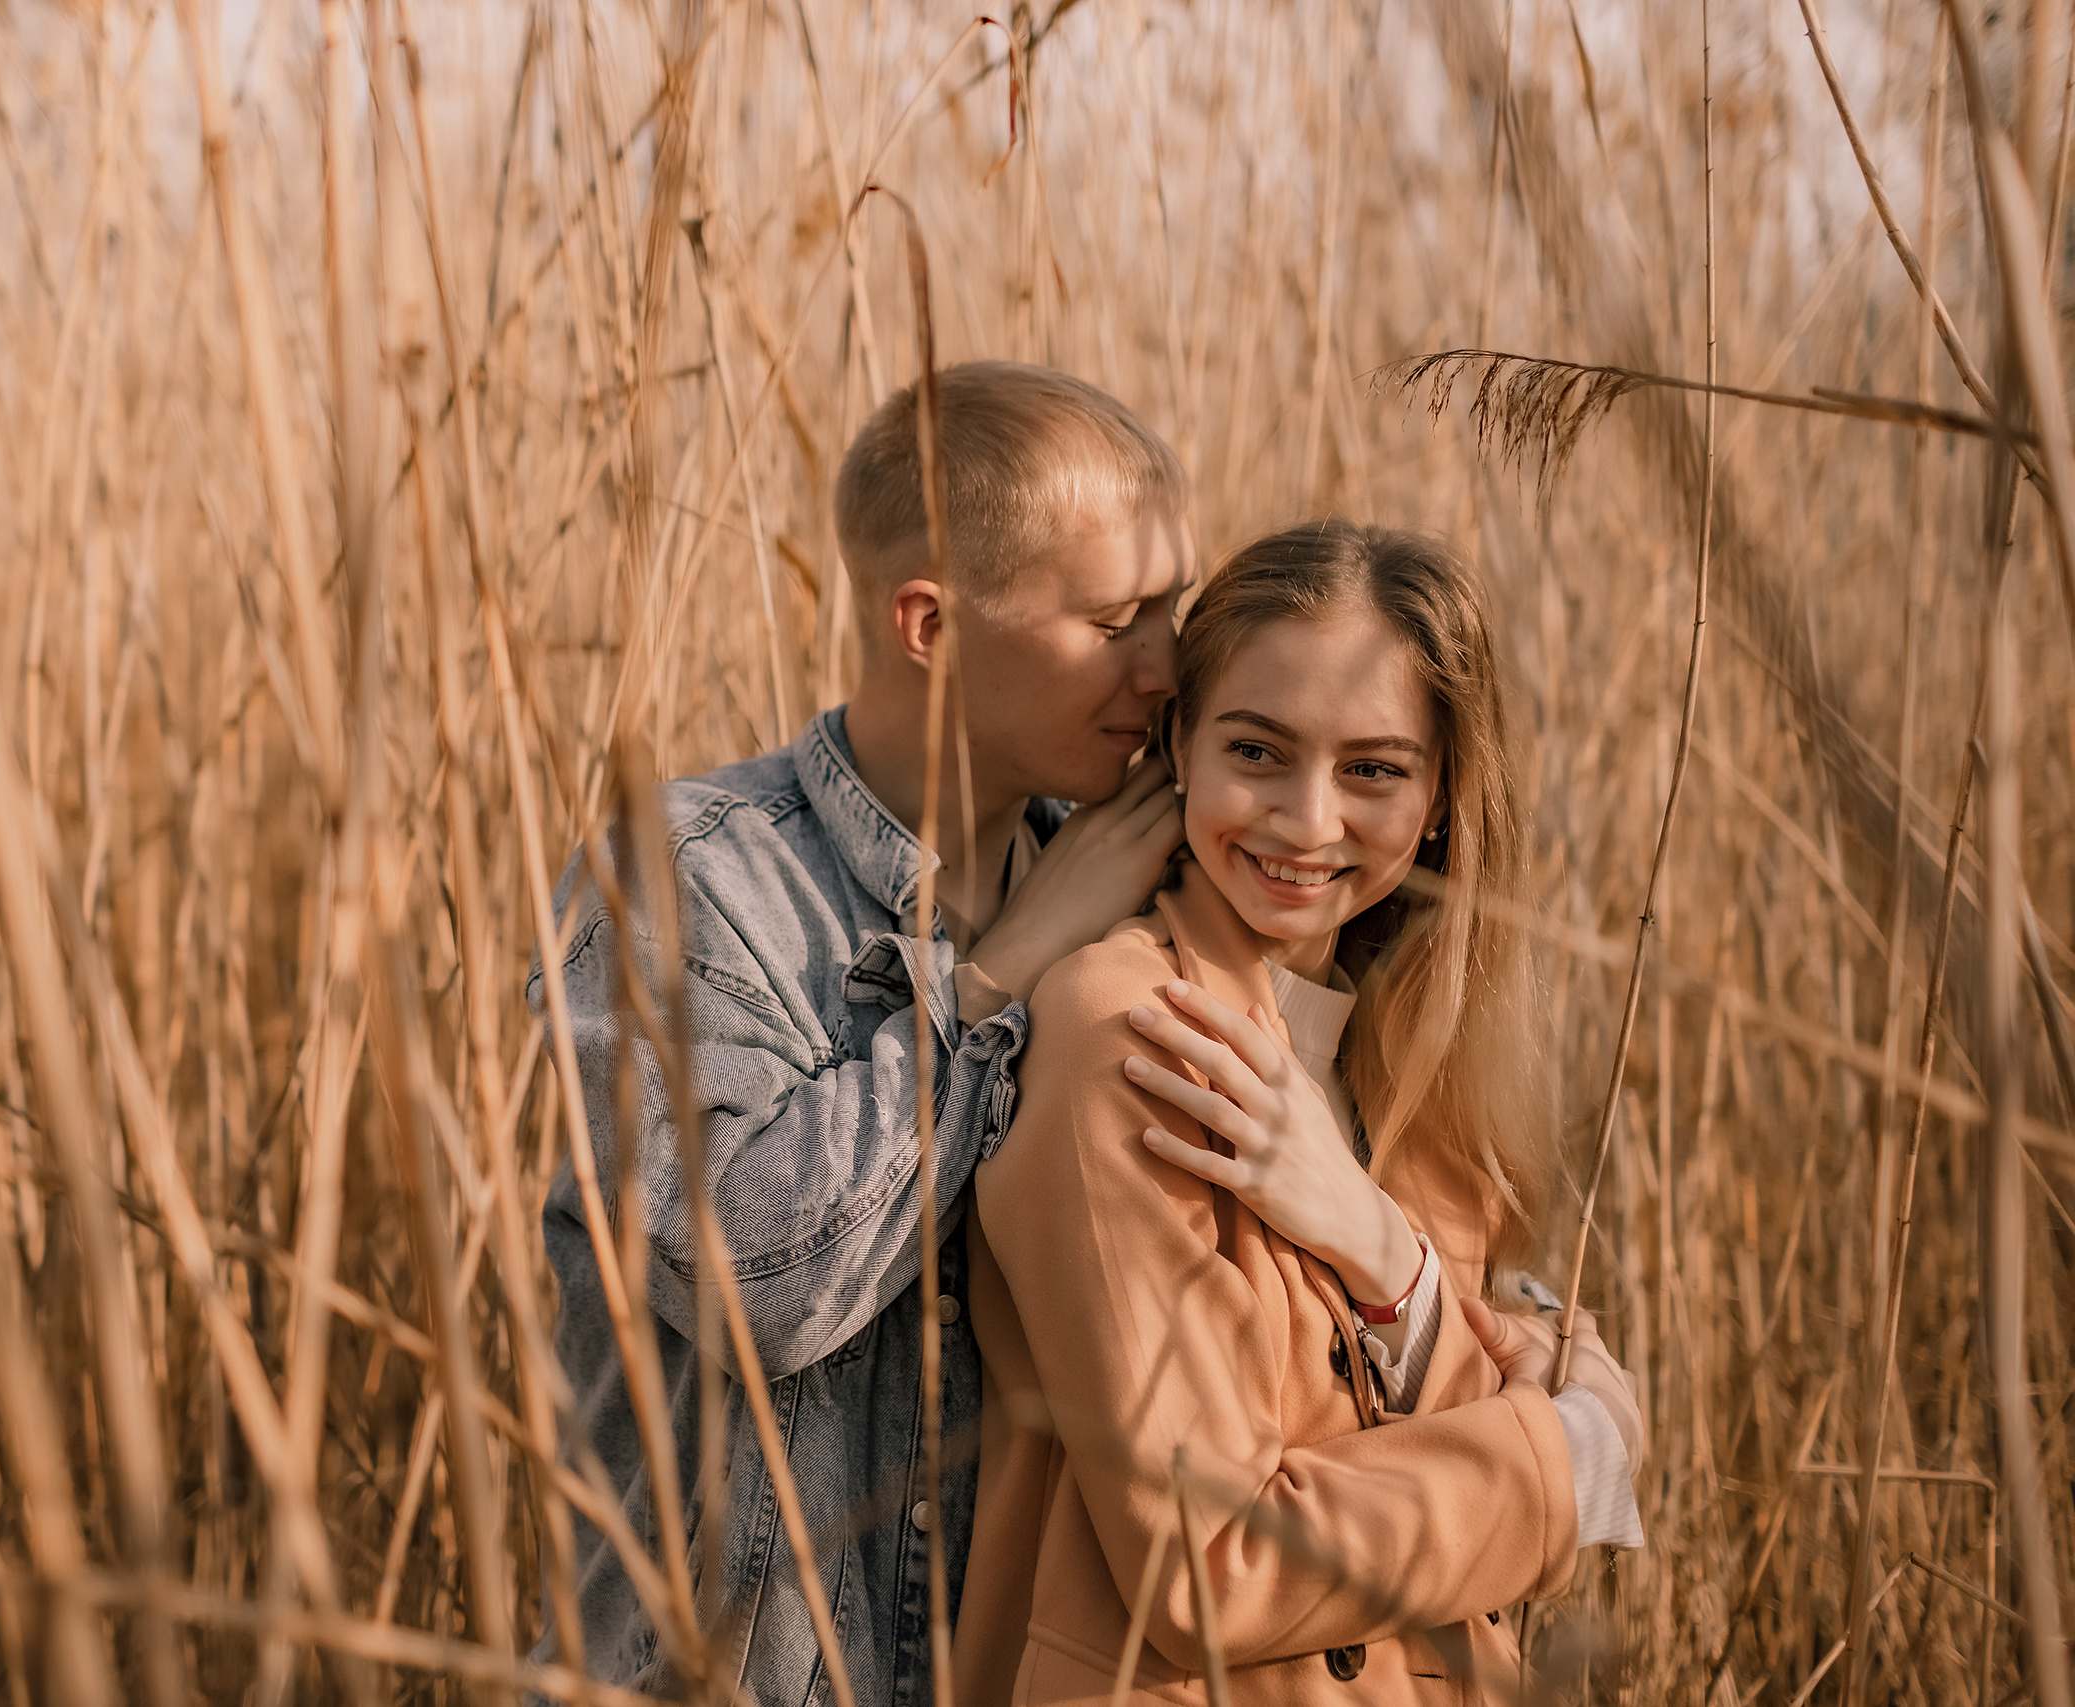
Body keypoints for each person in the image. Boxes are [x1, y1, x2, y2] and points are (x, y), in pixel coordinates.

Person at [532, 362, 1197, 1699]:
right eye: (1117, 615)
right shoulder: (680, 878)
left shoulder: (1156, 890)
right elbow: (756, 1285)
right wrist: (997, 976)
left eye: (1173, 608)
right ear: (930, 623)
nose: (1166, 664)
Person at [957, 521, 1645, 1704]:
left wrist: (1378, 1244)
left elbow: (1476, 1464)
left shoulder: (1420, 1063)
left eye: (1373, 769)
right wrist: (1571, 1459)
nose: (1306, 821)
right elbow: (1209, 1566)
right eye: (1258, 752)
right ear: (1179, 743)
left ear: (1439, 799)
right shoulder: (1132, 1029)